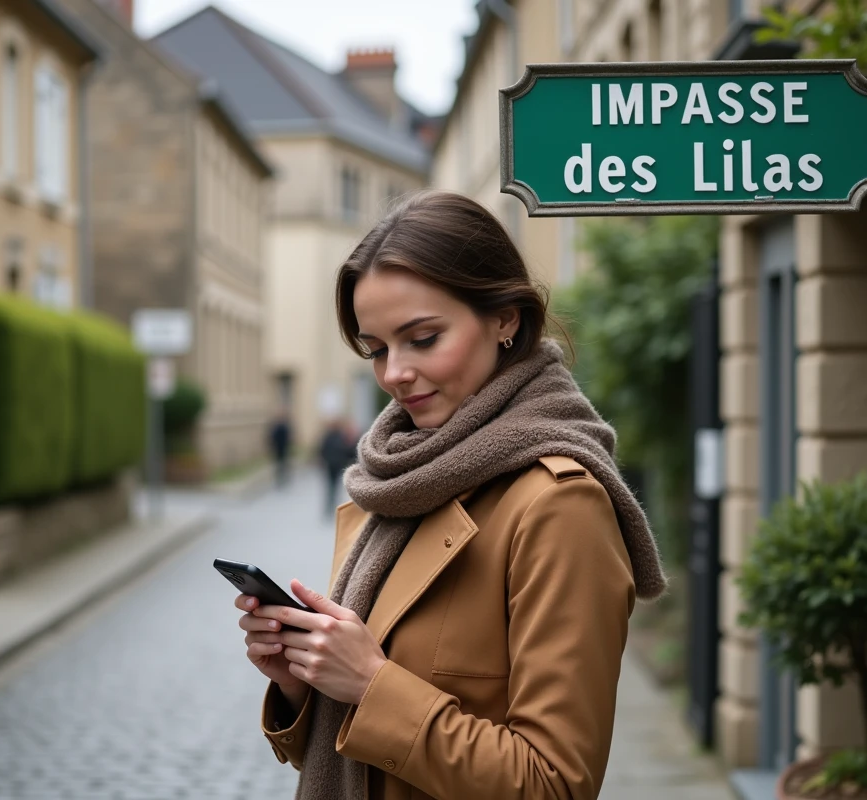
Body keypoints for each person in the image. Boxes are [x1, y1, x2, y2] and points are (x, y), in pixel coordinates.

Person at [232, 191, 666, 800]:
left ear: (505, 319)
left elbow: (555, 784)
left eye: (424, 338)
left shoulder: (559, 506)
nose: (395, 373)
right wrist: (303, 682)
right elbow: (363, 757)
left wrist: (371, 683)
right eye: (377, 349)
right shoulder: (393, 486)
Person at [318, 418, 357, 516]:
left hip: (335, 465)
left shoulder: (334, 436)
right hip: (334, 465)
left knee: (332, 486)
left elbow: (323, 450)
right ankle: (331, 506)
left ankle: (331, 506)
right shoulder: (337, 437)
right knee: (332, 486)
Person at [268, 411, 292, 488]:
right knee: (280, 465)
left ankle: (283, 478)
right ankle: (280, 479)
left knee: (282, 465)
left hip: (283, 449)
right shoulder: (278, 427)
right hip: (279, 449)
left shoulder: (284, 427)